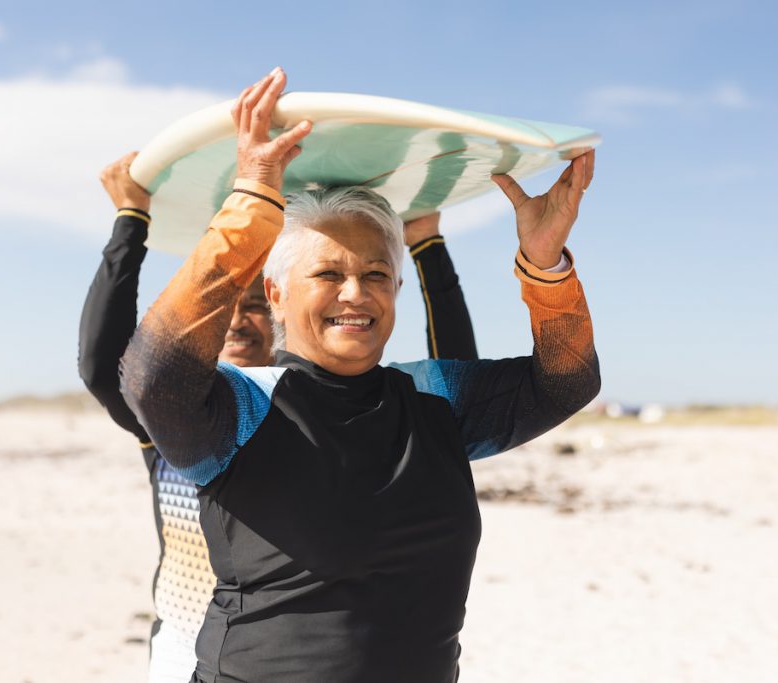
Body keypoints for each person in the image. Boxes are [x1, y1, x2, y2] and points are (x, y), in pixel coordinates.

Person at [121, 67, 599, 683]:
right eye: (327, 274)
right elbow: (150, 379)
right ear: (276, 291)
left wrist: (545, 268)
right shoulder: (243, 406)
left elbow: (566, 383)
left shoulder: (435, 398)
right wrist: (249, 212)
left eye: (376, 274)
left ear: (396, 289)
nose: (356, 293)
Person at [79, 146, 480, 680]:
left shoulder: (287, 415)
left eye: (255, 307)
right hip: (182, 652)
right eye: (228, 308)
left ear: (280, 305)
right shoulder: (186, 418)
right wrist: (130, 221)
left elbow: (455, 389)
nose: (240, 322)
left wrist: (426, 245)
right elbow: (103, 367)